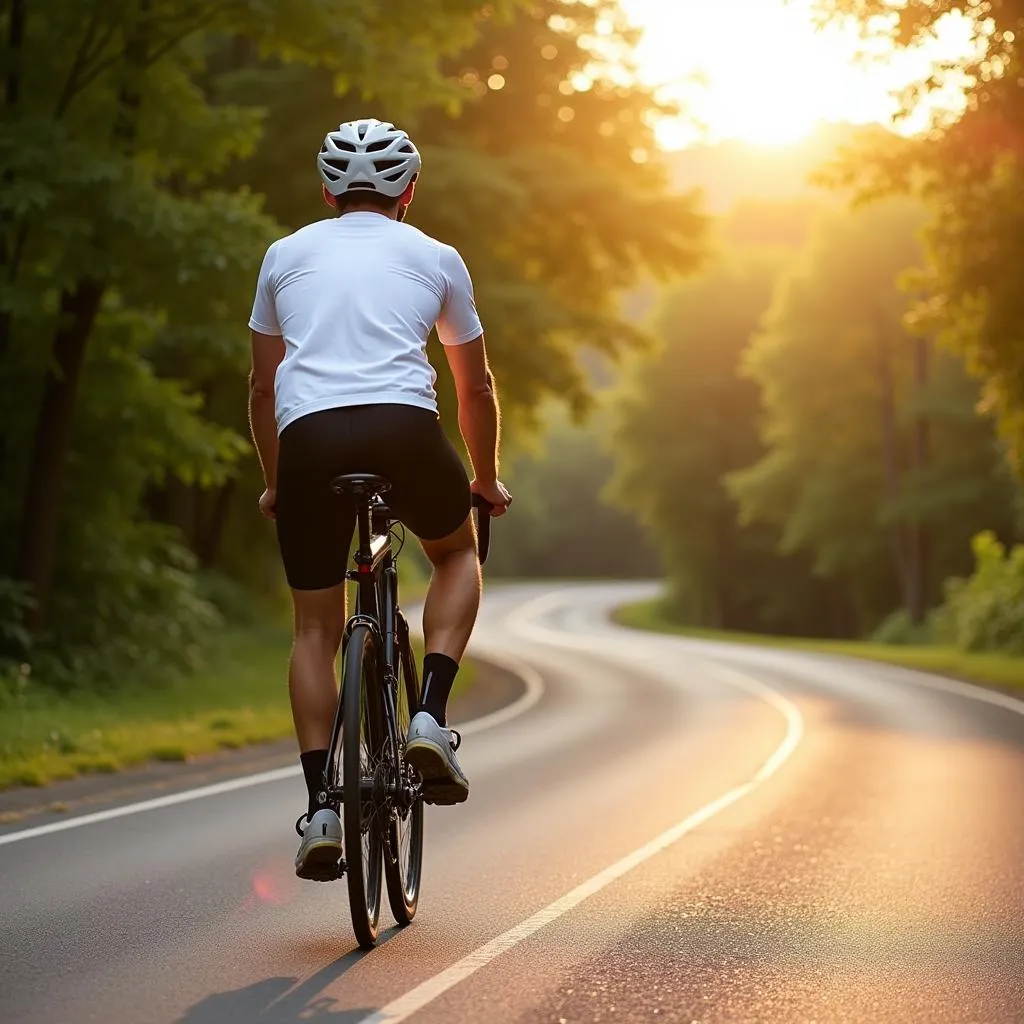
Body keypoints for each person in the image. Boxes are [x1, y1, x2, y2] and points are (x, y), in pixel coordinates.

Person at [246, 117, 511, 880]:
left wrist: (275, 479)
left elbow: (263, 386)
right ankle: (429, 714)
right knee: (456, 554)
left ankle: (321, 808)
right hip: (404, 431)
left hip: (310, 443)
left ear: (327, 191)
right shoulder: (436, 256)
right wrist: (484, 479)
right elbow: (476, 386)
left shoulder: (283, 255)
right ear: (410, 192)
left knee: (312, 631)